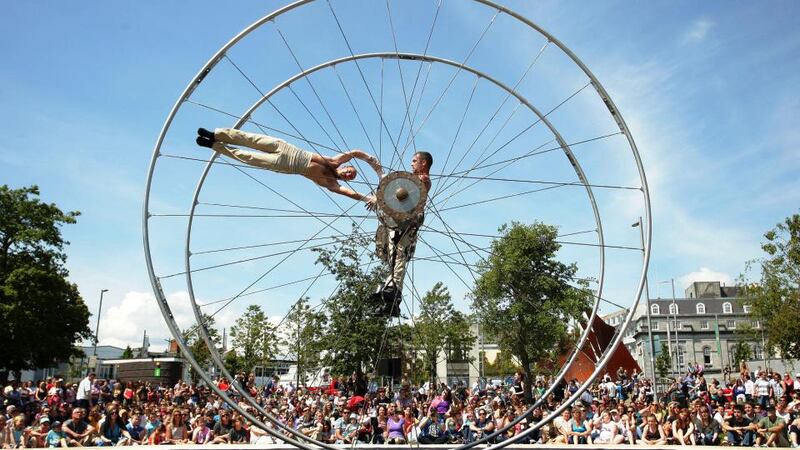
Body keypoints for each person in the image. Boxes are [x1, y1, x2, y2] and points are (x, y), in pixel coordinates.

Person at [196, 127, 383, 205]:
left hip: (286, 165)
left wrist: (369, 199)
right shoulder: (335, 161)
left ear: (347, 179)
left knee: (248, 157)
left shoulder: (332, 184)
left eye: (351, 176)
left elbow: (350, 194)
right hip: (286, 148)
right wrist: (372, 161)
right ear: (345, 167)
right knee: (250, 138)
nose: (349, 173)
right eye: (350, 170)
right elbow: (355, 153)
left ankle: (214, 145)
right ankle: (216, 135)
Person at [373, 151, 432, 300]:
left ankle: (394, 288)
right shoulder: (412, 180)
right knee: (392, 253)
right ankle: (391, 289)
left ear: (423, 163)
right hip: (398, 220)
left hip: (407, 220)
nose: (411, 164)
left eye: (414, 161)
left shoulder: (423, 179)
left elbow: (403, 193)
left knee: (399, 253)